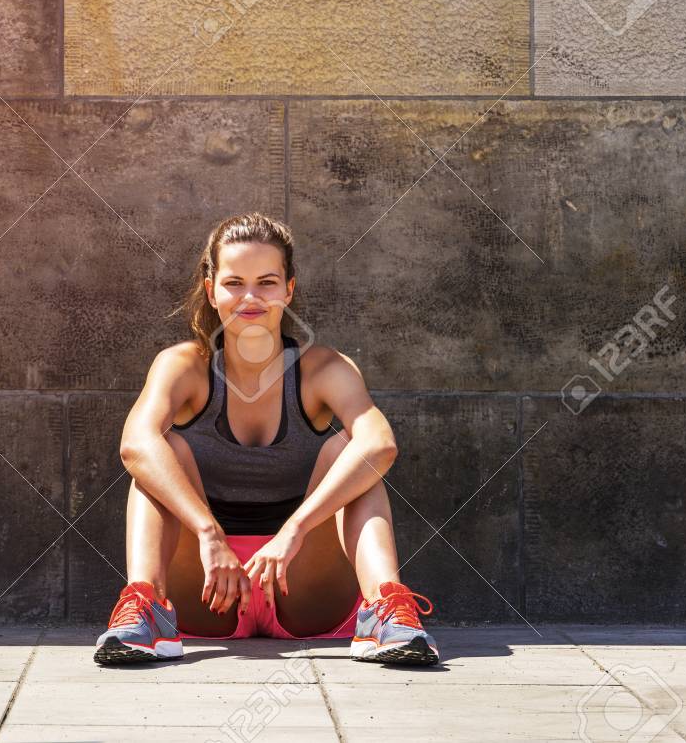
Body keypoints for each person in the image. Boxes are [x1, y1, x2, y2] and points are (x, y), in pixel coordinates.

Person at [93, 212, 438, 666]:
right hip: (206, 584)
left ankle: (387, 615)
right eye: (235, 282)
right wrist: (208, 532)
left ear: (289, 289)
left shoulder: (323, 368)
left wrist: (293, 530)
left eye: (267, 282)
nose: (250, 297)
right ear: (211, 286)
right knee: (160, 452)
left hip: (304, 581)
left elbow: (381, 445)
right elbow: (134, 444)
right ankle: (148, 611)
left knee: (351, 452)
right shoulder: (184, 365)